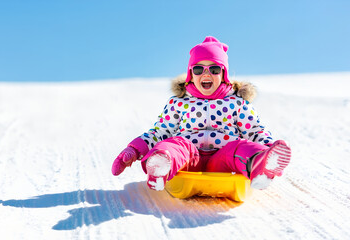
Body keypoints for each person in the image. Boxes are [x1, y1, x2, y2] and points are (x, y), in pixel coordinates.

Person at [111, 36, 291, 191]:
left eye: (214, 69)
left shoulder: (237, 103)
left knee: (239, 147)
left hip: (225, 159)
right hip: (189, 159)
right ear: (190, 74)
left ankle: (260, 164)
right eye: (198, 69)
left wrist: (268, 148)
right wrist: (134, 149)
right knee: (176, 144)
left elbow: (254, 131)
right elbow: (160, 132)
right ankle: (161, 165)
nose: (206, 73)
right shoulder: (179, 103)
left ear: (224, 74)